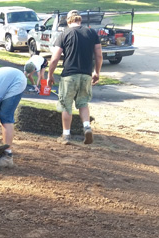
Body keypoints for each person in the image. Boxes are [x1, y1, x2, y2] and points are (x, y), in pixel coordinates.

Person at [46, 10, 102, 145]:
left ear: (68, 20)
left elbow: (54, 59)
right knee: (83, 103)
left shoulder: (64, 34)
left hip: (69, 75)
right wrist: (97, 72)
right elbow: (99, 56)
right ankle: (87, 127)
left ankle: (66, 136)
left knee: (66, 105)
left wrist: (50, 75)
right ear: (80, 20)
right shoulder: (92, 33)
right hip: (86, 74)